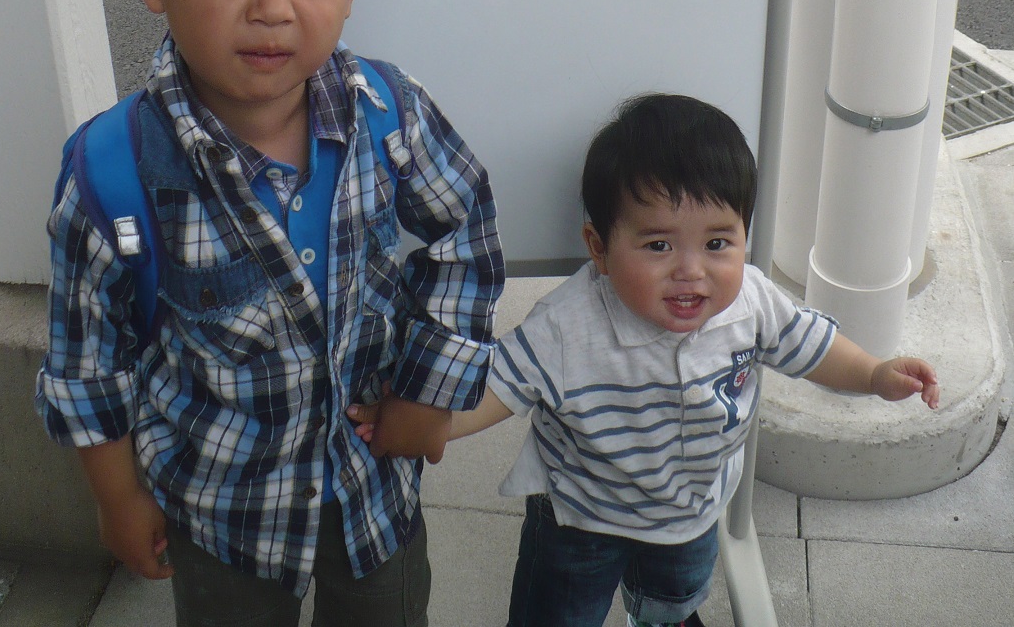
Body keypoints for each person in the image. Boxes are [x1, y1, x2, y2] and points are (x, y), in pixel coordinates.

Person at [36, 0, 504, 627]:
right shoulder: (112, 171)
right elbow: (86, 365)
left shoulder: (387, 114)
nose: (272, 6)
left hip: (371, 487)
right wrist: (119, 499)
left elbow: (463, 229)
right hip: (223, 514)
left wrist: (430, 390)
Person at [352, 93, 939, 627]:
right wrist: (423, 422)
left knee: (674, 595)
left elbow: (813, 347)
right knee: (559, 611)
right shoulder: (568, 326)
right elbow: (495, 390)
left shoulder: (753, 304)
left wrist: (872, 374)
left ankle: (663, 617)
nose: (691, 270)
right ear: (599, 249)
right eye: (658, 245)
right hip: (581, 515)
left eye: (717, 243)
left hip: (692, 510)